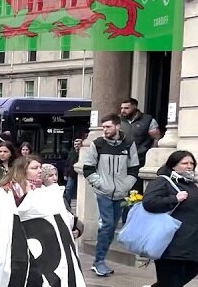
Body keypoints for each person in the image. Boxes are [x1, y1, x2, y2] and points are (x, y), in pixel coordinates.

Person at [141, 150, 198, 287]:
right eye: (185, 163)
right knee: (171, 272)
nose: (189, 166)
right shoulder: (163, 181)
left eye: (191, 163)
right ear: (173, 165)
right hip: (170, 239)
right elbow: (149, 202)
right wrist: (174, 198)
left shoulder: (189, 183)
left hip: (191, 238)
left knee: (193, 268)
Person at [83, 114, 140, 277]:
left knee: (112, 227)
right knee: (107, 225)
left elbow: (134, 168)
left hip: (121, 193)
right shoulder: (98, 144)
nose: (105, 130)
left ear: (117, 127)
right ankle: (99, 261)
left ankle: (99, 260)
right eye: (103, 127)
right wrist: (100, 184)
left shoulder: (129, 144)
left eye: (108, 127)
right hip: (104, 193)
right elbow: (88, 168)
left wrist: (126, 185)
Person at [119, 97, 161, 164]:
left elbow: (156, 138)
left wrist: (150, 153)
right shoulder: (117, 120)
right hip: (121, 157)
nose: (123, 111)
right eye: (121, 108)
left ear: (135, 107)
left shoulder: (148, 120)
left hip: (141, 158)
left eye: (126, 108)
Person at [64, 138, 83, 210]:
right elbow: (67, 164)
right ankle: (67, 205)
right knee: (68, 189)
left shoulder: (83, 152)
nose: (76, 146)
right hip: (71, 174)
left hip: (81, 174)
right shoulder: (71, 153)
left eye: (78, 144)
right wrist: (65, 174)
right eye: (75, 144)